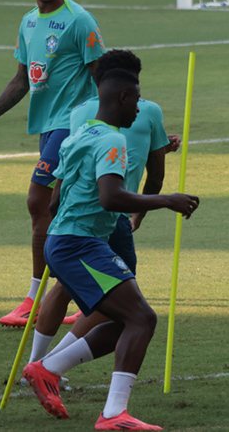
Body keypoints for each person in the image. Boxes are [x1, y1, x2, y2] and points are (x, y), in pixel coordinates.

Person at [22, 68, 199, 431]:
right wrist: (166, 200)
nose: (139, 107)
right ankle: (112, 414)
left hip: (66, 240)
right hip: (79, 244)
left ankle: (48, 368)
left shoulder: (80, 135)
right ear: (122, 98)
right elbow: (111, 197)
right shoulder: (113, 142)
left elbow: (56, 199)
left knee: (125, 321)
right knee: (143, 319)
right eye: (136, 98)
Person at [0, 0, 105, 328]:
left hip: (73, 126)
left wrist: (105, 126)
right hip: (47, 128)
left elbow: (101, 76)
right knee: (72, 210)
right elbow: (23, 79)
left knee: (38, 201)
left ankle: (35, 299)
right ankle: (94, 291)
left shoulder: (79, 21)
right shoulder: (28, 23)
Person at [27, 49, 180, 369]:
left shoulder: (79, 115)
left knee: (64, 287)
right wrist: (152, 207)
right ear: (128, 91)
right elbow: (155, 174)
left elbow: (60, 187)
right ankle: (49, 368)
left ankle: (37, 361)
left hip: (66, 228)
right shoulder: (147, 113)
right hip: (110, 221)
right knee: (124, 306)